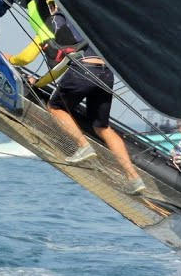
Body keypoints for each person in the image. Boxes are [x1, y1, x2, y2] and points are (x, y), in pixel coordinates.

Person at [30, 13, 146, 195]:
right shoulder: (94, 12)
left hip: (83, 68)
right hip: (106, 72)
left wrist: (37, 81)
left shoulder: (60, 15)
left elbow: (59, 53)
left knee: (55, 107)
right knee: (103, 127)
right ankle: (134, 178)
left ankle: (83, 146)